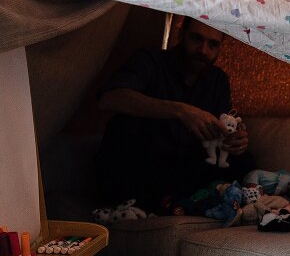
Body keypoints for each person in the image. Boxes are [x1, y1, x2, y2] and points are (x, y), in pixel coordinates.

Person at [95, 18, 255, 211]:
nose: (203, 50)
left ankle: (180, 201)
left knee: (244, 160)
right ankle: (163, 201)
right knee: (124, 126)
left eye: (213, 44)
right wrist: (180, 111)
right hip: (146, 162)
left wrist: (235, 140)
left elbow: (223, 125)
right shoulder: (150, 60)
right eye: (196, 38)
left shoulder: (217, 79)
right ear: (181, 35)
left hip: (183, 168)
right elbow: (109, 98)